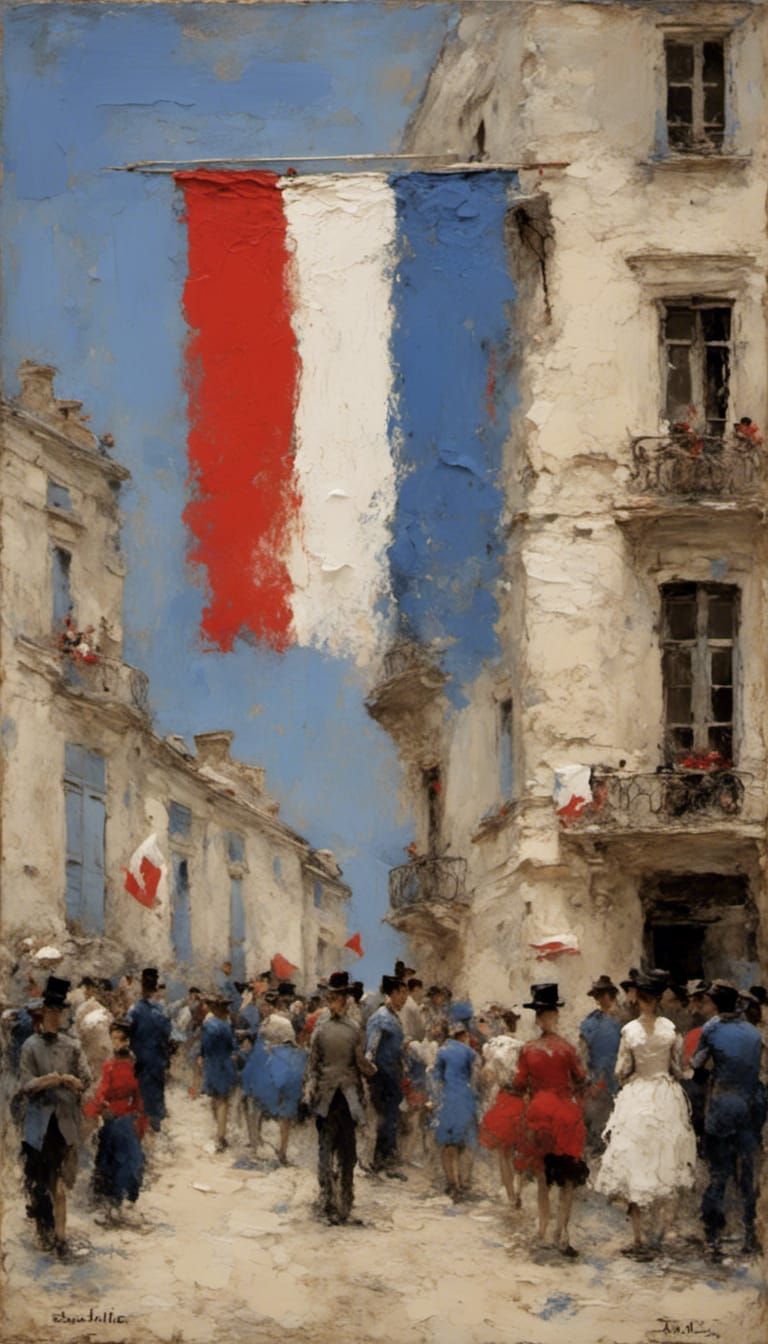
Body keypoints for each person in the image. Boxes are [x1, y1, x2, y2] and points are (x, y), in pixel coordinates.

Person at [595, 973, 696, 1259]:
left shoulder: (629, 1031)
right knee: (664, 1160)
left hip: (638, 1097)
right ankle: (660, 1234)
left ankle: (638, 1237)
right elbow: (677, 1069)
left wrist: (636, 1078)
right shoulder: (669, 1029)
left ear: (639, 999)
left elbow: (621, 1070)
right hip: (665, 1096)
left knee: (637, 1163)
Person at [510, 983, 588, 1257]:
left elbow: (519, 1083)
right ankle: (563, 1233)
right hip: (565, 1115)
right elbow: (580, 1078)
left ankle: (542, 1229)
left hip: (540, 1114)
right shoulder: (567, 1049)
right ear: (555, 1016)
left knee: (543, 1176)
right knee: (567, 1178)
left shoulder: (528, 1049)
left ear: (537, 1018)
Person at [18, 976, 91, 1257]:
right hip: (38, 1127)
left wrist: (73, 1081)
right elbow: (26, 1085)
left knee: (59, 1184)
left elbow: (86, 1079)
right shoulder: (30, 1047)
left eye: (58, 1013)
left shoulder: (71, 1046)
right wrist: (47, 1080)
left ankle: (60, 1239)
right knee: (39, 1184)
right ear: (41, 1014)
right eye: (49, 1013)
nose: (54, 1018)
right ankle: (44, 1232)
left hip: (63, 1124)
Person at [693, 980, 764, 1258]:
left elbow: (697, 1065)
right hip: (750, 1107)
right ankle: (749, 1234)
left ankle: (713, 1238)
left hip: (723, 1106)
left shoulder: (712, 1028)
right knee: (746, 1174)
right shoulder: (752, 1032)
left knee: (718, 1174)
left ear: (716, 1003)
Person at [303, 979, 376, 1224]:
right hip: (340, 1096)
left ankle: (334, 1198)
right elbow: (358, 1064)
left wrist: (310, 1090)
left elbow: (313, 1066)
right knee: (339, 1149)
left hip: (333, 1096)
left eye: (334, 999)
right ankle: (339, 1198)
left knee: (335, 1148)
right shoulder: (349, 1029)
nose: (334, 1003)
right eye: (334, 998)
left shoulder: (325, 1030)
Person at [84, 1018, 147, 1220]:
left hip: (128, 1118)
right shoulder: (109, 1065)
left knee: (132, 1161)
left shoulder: (135, 1064)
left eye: (122, 1039)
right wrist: (102, 1106)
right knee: (113, 1161)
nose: (118, 1043)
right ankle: (114, 1205)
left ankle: (122, 1202)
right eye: (115, 1039)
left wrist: (140, 1118)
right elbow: (102, 1092)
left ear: (128, 1040)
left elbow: (139, 1095)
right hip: (112, 1118)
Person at [479, 1008, 525, 1207]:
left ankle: (511, 1195)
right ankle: (519, 1189)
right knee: (521, 1150)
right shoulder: (524, 1046)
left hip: (503, 1098)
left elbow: (487, 1075)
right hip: (522, 1099)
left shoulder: (491, 1046)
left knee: (504, 1153)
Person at [365, 975, 408, 1178]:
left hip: (393, 1074)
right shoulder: (381, 1018)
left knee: (391, 1117)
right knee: (384, 1118)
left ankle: (385, 1159)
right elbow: (371, 1049)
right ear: (391, 994)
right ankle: (379, 1161)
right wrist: (372, 1075)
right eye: (401, 993)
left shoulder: (394, 1017)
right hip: (382, 1075)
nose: (404, 998)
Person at [432, 1022, 480, 1201]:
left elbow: (436, 1078)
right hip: (465, 1099)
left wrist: (435, 1099)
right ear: (464, 1035)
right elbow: (475, 1079)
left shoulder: (442, 1051)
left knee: (447, 1144)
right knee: (464, 1143)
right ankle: (462, 1181)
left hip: (447, 1098)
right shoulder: (470, 1053)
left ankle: (452, 1183)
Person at [578, 975, 621, 1155]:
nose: (600, 999)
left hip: (620, 1080)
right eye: (597, 996)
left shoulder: (623, 1020)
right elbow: (582, 1052)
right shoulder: (590, 1022)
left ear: (610, 996)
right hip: (599, 1082)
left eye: (602, 995)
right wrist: (589, 1079)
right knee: (599, 1126)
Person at [126, 968, 172, 1133]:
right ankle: (155, 1122)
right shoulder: (161, 1010)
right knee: (155, 1091)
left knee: (142, 1092)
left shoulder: (135, 1010)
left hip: (141, 1058)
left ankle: (144, 1125)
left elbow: (127, 1031)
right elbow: (168, 1033)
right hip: (156, 1058)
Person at [197, 994, 238, 1152]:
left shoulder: (209, 1025)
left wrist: (202, 1056)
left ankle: (219, 1134)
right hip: (224, 1063)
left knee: (216, 1098)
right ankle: (221, 1136)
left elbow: (205, 1045)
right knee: (222, 1100)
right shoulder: (225, 1025)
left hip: (213, 1063)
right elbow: (232, 1045)